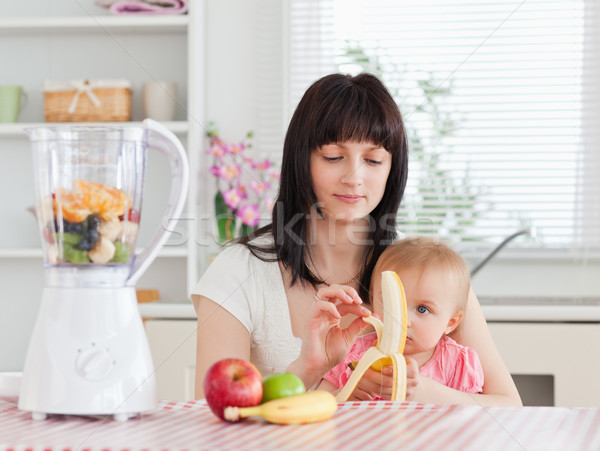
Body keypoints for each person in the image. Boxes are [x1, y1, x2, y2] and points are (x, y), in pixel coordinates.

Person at [191, 73, 521, 406]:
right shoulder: (237, 271)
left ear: (393, 167)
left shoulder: (427, 268)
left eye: (373, 160)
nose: (354, 178)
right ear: (300, 160)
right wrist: (308, 370)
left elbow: (509, 406)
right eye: (334, 157)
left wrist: (421, 391)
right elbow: (214, 417)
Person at [321, 236, 485, 400]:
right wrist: (346, 396)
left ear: (451, 322)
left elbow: (475, 416)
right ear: (373, 300)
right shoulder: (353, 354)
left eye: (422, 309)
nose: (402, 321)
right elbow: (320, 403)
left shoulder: (458, 363)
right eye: (393, 303)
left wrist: (423, 391)